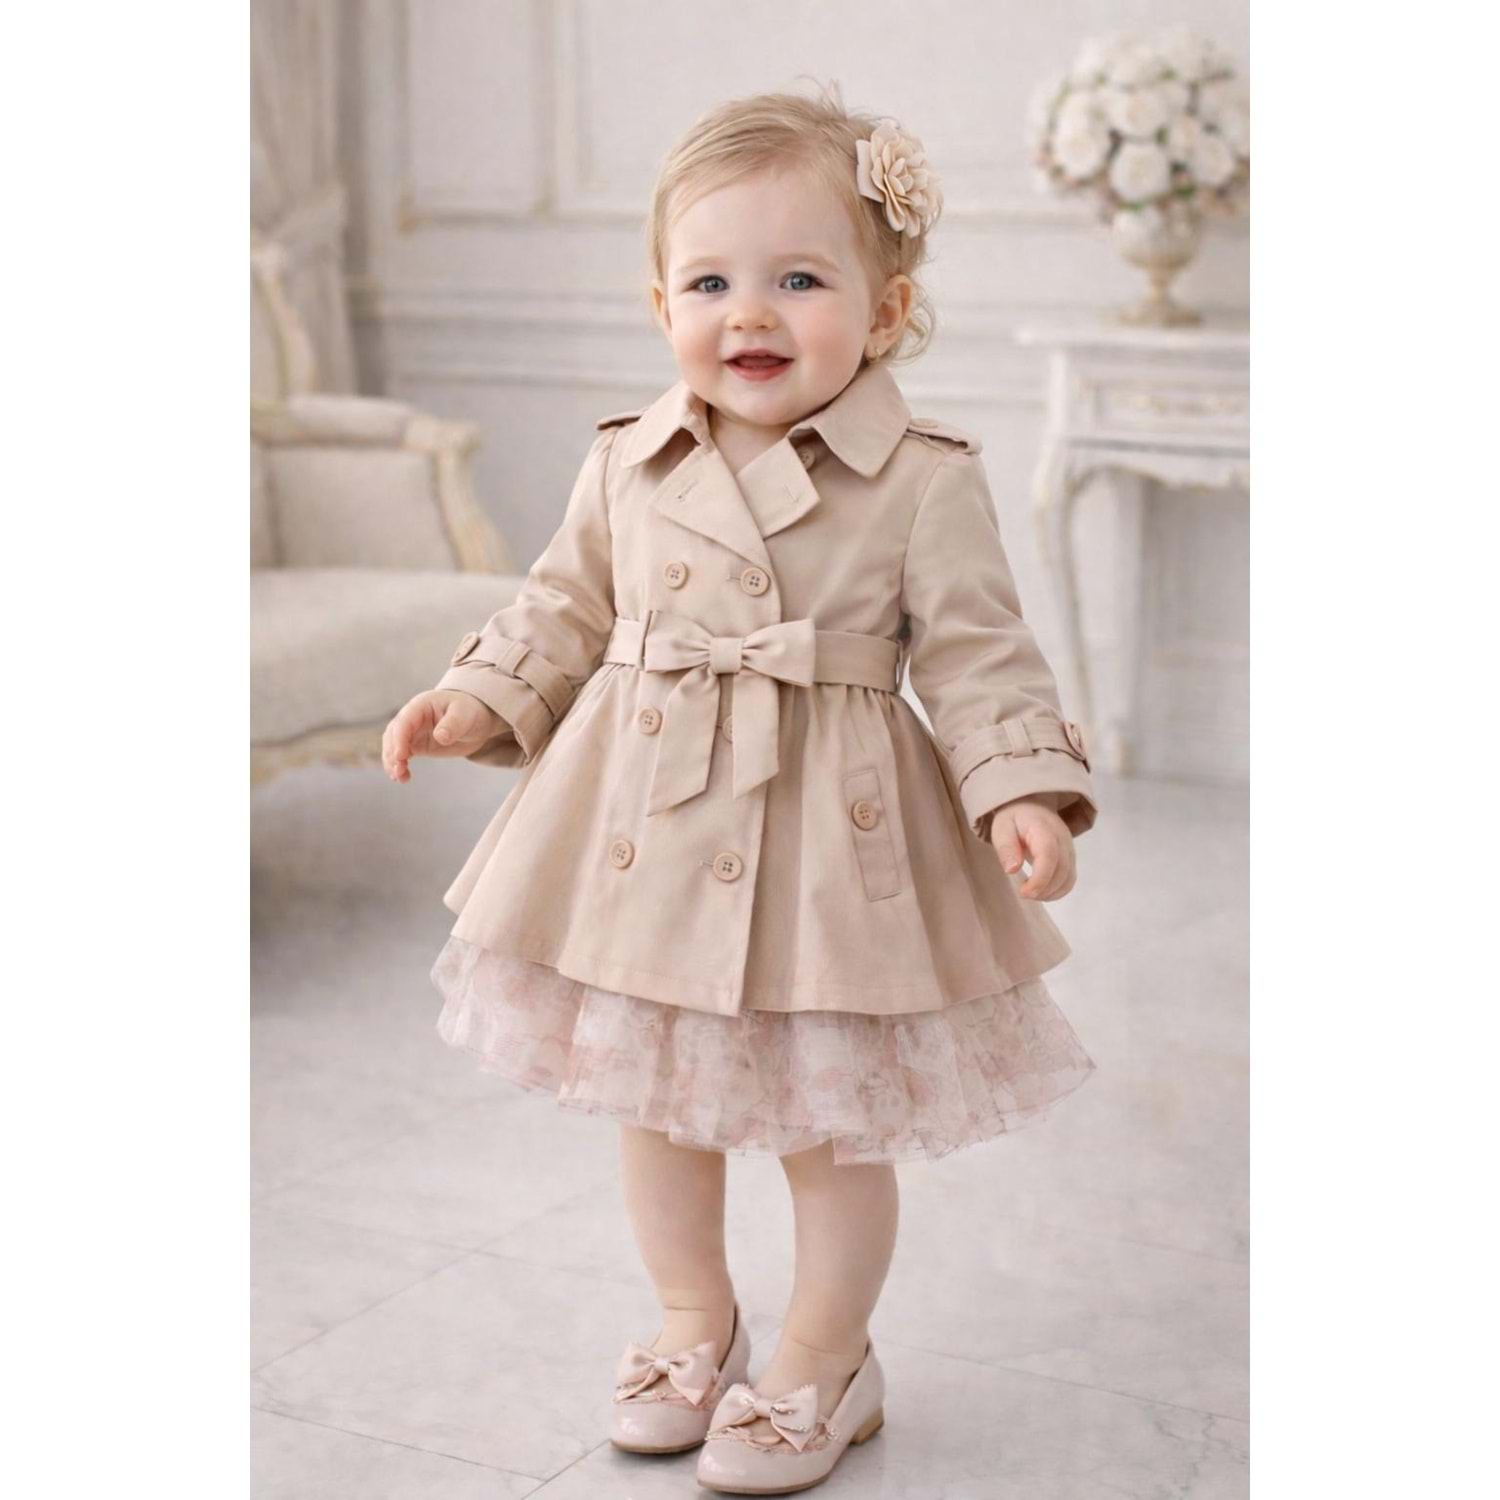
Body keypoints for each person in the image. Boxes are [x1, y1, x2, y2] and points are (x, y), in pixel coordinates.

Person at [382, 82, 1099, 1496]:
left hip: (831, 847)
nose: (749, 313)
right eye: (710, 282)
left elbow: (979, 655)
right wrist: (481, 695)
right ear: (663, 303)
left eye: (799, 280)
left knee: (828, 1124)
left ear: (885, 311)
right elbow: (561, 607)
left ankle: (827, 1357)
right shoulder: (627, 461)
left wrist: (1018, 788)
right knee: (660, 1105)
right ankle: (690, 1323)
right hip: (649, 823)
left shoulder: (922, 480)